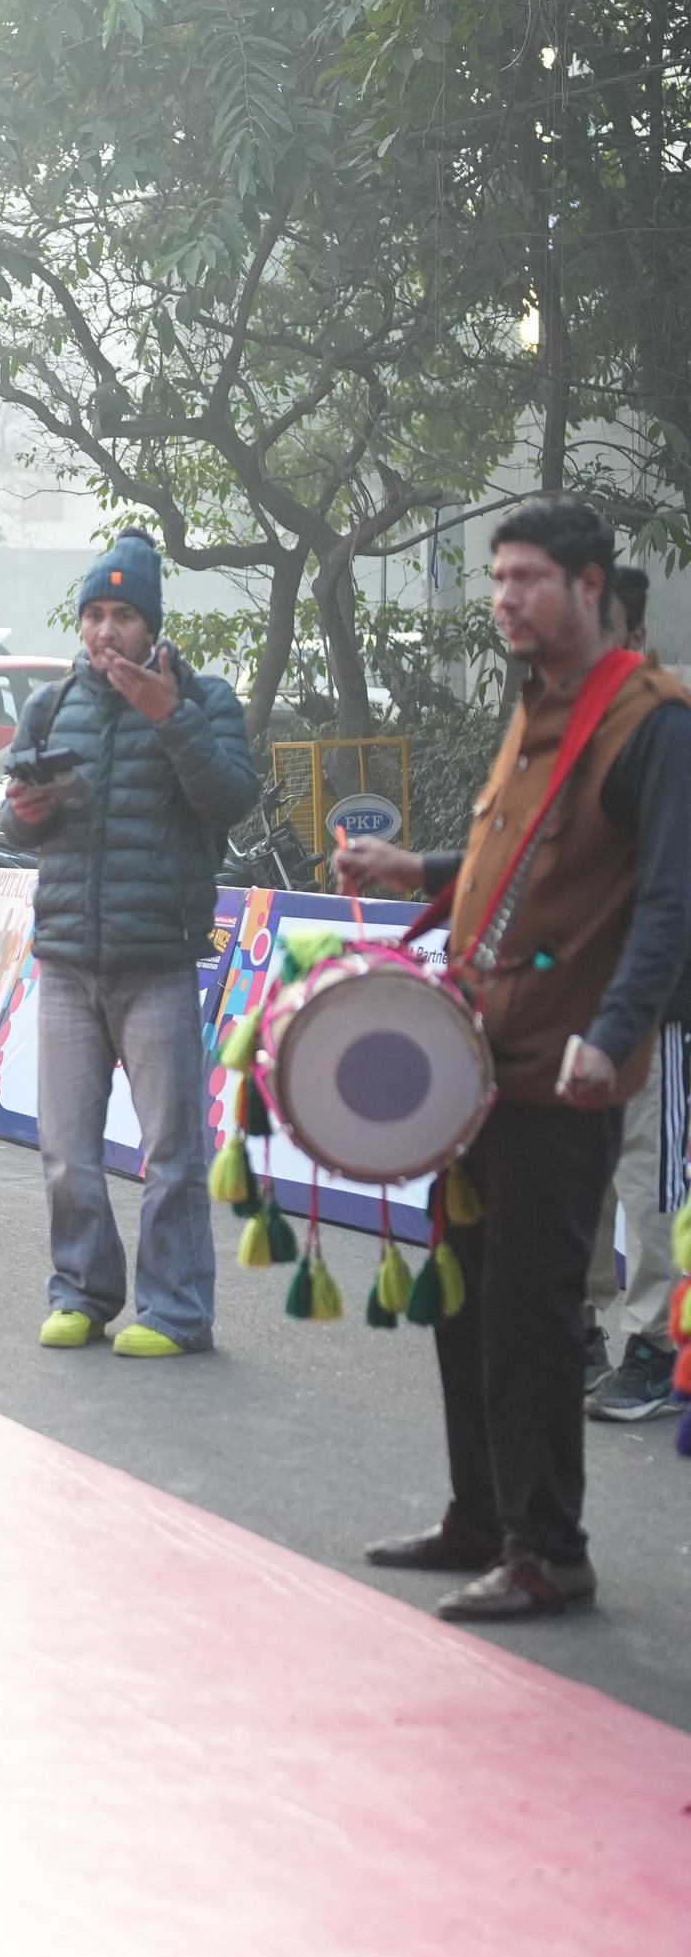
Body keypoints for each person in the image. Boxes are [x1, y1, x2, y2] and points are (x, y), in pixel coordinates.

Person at [338, 495, 691, 1621]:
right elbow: (520, 858)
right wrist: (417, 870)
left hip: (563, 1073)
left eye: (527, 577)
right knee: (466, 1302)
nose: (504, 597)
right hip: (478, 1062)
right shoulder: (542, 705)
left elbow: (670, 903)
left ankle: (549, 1550)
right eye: (497, 578)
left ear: (589, 587)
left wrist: (615, 1033)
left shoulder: (652, 722)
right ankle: (481, 1517)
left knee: (531, 1316)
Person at [1, 528, 260, 1356]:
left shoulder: (204, 698)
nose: (105, 631)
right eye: (94, 615)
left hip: (157, 960)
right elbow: (14, 822)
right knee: (66, 1151)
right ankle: (81, 1292)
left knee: (173, 1152)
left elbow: (232, 799)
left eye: (122, 616)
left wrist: (170, 718)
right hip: (66, 959)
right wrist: (27, 812)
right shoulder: (51, 706)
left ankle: (176, 1310)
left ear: (152, 626)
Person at [580, 564, 683, 1421]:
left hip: (657, 1005)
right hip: (574, 998)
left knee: (651, 1178)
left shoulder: (669, 732)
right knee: (576, 1172)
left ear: (635, 640)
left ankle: (658, 1347)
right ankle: (578, 1329)